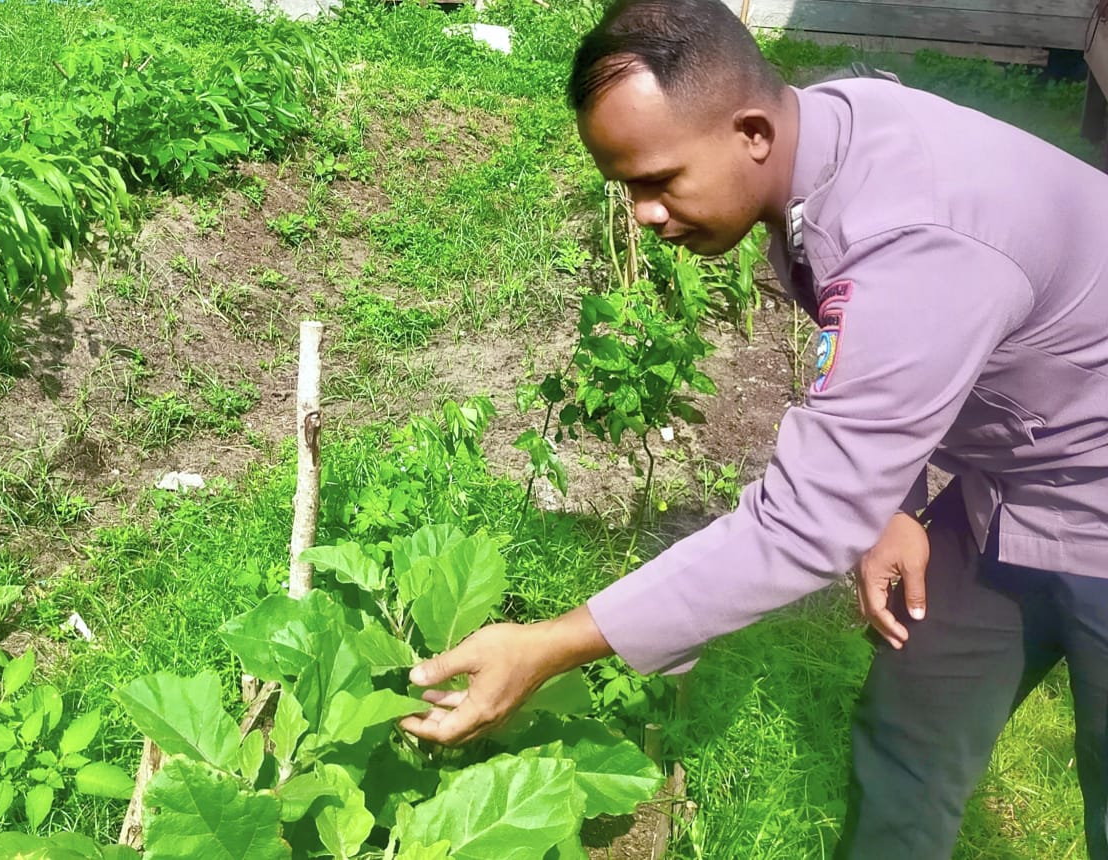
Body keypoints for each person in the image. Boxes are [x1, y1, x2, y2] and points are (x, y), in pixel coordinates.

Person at [397, 0, 1108, 856]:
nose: (641, 214)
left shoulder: (915, 236)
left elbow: (804, 522)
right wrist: (892, 500)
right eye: (626, 188)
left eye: (658, 180)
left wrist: (549, 645)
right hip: (1013, 480)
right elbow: (897, 363)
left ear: (752, 133)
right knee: (911, 737)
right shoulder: (825, 141)